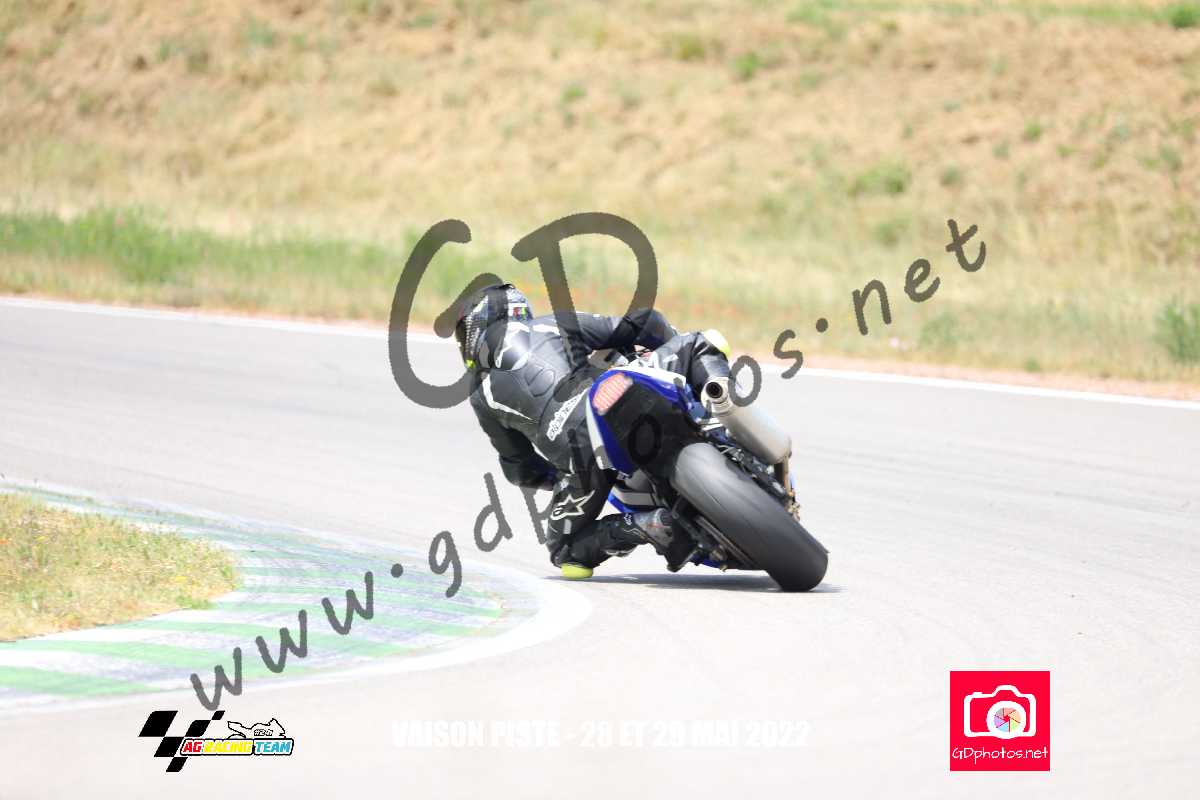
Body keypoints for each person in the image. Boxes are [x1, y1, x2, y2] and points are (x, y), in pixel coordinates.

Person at [455, 282, 731, 578]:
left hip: (579, 457)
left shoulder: (481, 395)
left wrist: (560, 478)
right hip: (611, 395)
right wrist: (666, 348)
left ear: (478, 325)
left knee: (565, 552)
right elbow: (643, 322)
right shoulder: (553, 324)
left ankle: (645, 524)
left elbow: (520, 470)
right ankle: (721, 414)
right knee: (699, 342)